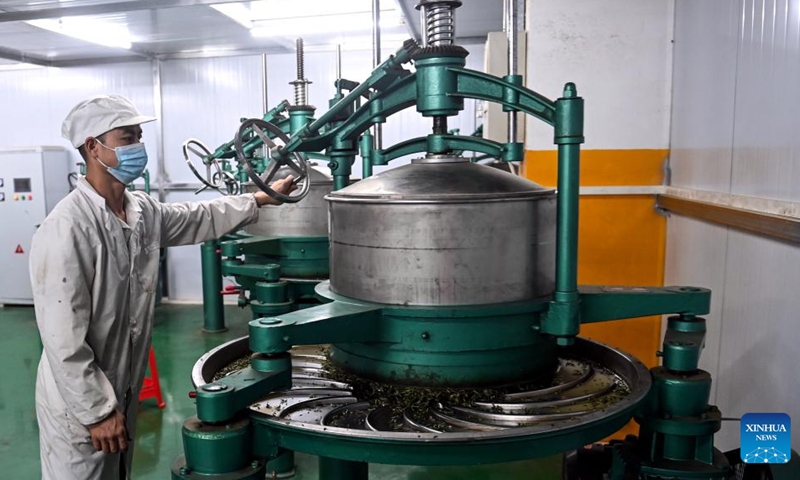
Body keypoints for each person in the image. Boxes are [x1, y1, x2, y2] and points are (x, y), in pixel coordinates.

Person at [29, 94, 296, 480]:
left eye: (139, 136)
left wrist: (259, 199)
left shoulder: (140, 210)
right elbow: (61, 338)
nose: (139, 147)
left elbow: (197, 216)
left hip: (120, 382)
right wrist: (97, 411)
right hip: (79, 401)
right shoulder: (67, 227)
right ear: (92, 146)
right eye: (127, 137)